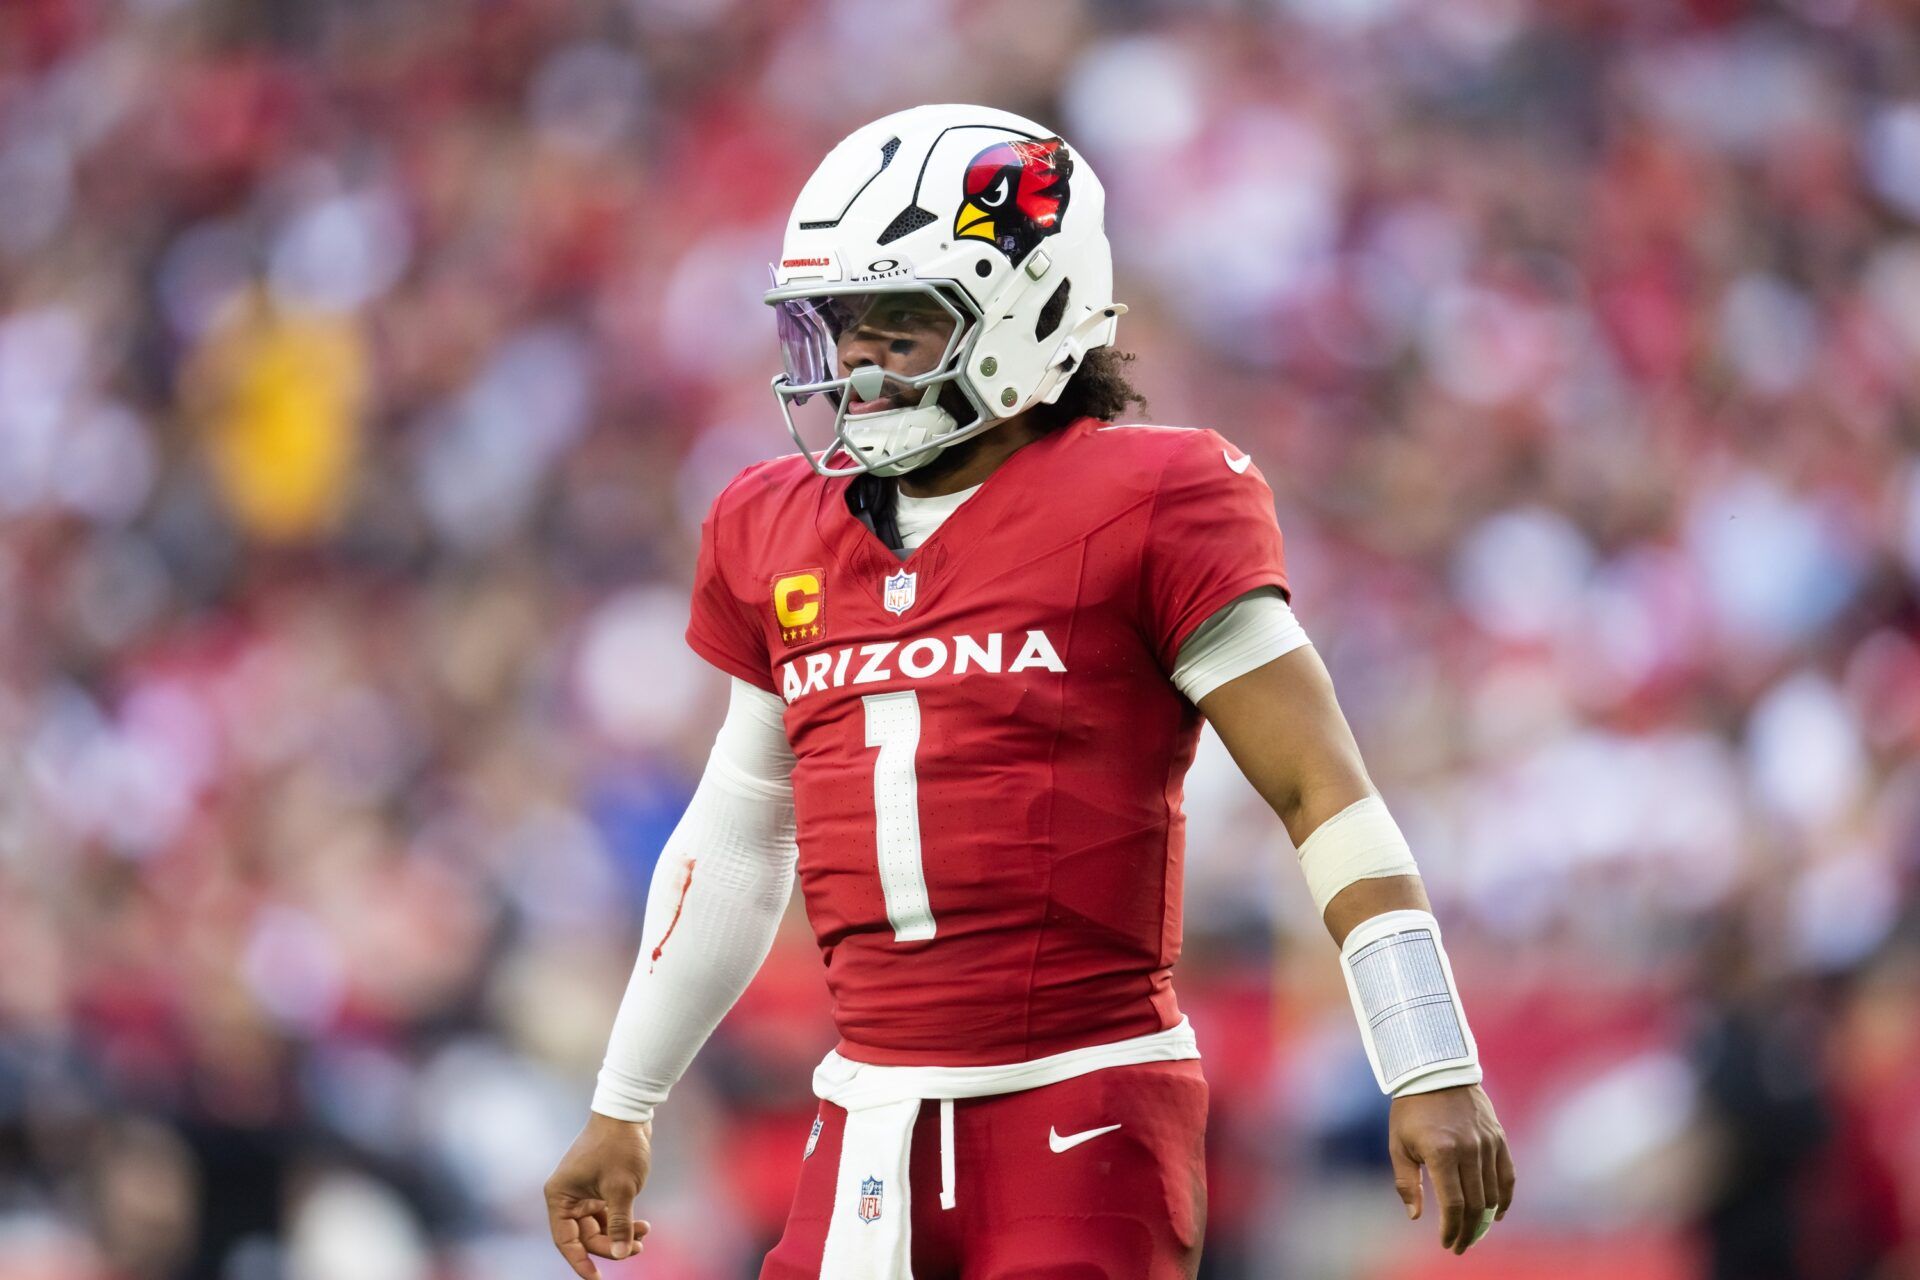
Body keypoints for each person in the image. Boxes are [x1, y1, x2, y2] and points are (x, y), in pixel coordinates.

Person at [545, 104, 1515, 1280]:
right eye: (840, 330)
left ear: (1033, 310)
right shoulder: (773, 525)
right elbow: (744, 827)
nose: (854, 366)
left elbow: (1321, 786)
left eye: (898, 330)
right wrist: (626, 1097)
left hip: (1083, 1106)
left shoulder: (1155, 496)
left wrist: (1427, 1053)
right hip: (863, 1117)